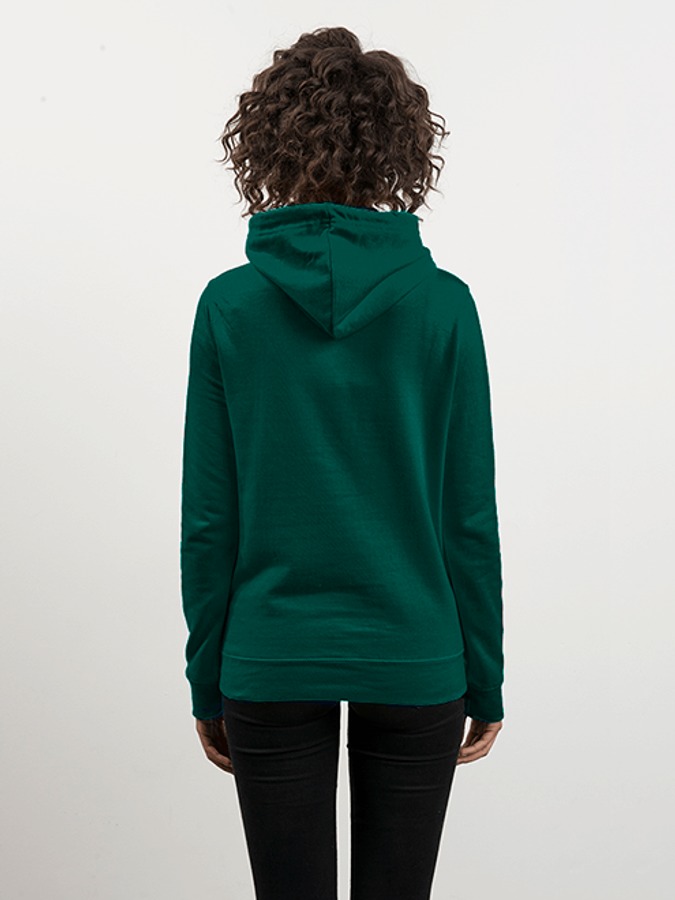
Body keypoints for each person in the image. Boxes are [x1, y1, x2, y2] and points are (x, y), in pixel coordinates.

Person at [180, 25, 505, 900]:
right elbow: (466, 515)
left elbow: (210, 519)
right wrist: (484, 674)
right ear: (397, 150)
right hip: (415, 652)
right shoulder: (443, 306)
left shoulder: (230, 307)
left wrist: (208, 679)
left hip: (270, 654)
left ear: (267, 145)